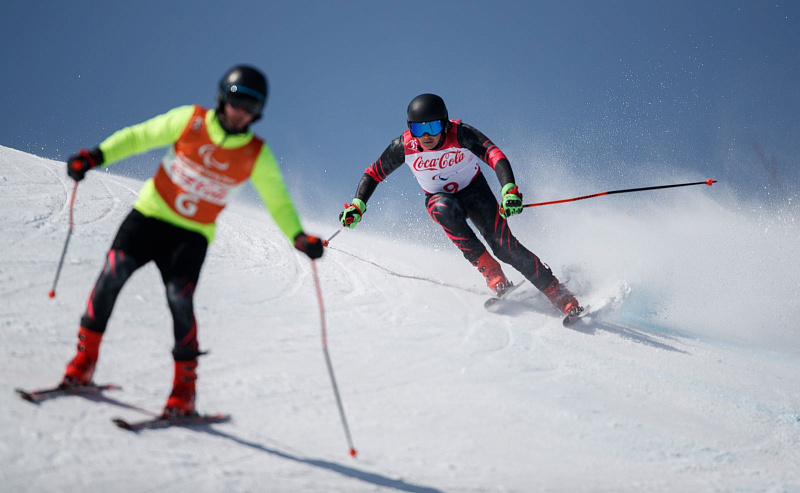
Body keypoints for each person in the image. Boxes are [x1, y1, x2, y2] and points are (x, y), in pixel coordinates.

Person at [61, 65, 323, 417]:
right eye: (238, 101)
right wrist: (96, 156)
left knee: (179, 301)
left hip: (191, 235)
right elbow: (140, 136)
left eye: (253, 107)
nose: (243, 111)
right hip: (149, 218)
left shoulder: (255, 153)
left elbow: (278, 200)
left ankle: (184, 392)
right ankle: (83, 363)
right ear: (222, 98)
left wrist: (298, 236)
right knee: (113, 275)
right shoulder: (191, 121)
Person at [339, 93, 581, 316]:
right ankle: (492, 272)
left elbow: (495, 155)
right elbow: (373, 174)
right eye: (418, 129)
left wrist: (509, 189)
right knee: (440, 209)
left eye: (433, 126)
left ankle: (558, 293)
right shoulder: (404, 147)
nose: (426, 136)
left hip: (476, 193)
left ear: (444, 123)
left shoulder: (460, 134)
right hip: (440, 198)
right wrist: (357, 205)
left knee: (505, 247)